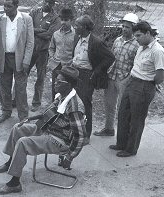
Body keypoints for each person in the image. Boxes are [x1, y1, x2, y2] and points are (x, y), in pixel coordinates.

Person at [0, 66, 86, 195]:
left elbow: (80, 136)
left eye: (59, 82)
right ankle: (10, 162)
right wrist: (29, 119)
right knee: (18, 128)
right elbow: (49, 114)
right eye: (55, 80)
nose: (55, 84)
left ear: (68, 84)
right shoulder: (62, 95)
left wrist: (69, 157)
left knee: (24, 142)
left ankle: (14, 183)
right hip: (49, 130)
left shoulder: (74, 107)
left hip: (59, 140)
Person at [109, 21, 164, 157]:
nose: (137, 39)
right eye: (135, 36)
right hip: (132, 82)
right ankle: (121, 144)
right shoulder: (142, 46)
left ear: (148, 33)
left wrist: (150, 84)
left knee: (136, 119)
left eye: (139, 35)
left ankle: (130, 149)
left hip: (144, 86)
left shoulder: (157, 51)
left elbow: (160, 76)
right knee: (123, 114)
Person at [94, 13, 140, 137]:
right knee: (109, 104)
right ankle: (109, 129)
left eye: (128, 27)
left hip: (124, 79)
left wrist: (128, 79)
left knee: (123, 108)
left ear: (134, 28)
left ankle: (123, 134)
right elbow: (111, 58)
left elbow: (138, 65)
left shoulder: (137, 44)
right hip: (111, 76)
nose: (124, 29)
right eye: (123, 26)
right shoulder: (118, 40)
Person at [72, 15, 115, 143]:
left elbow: (110, 57)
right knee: (74, 103)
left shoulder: (96, 42)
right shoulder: (77, 38)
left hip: (87, 76)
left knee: (85, 104)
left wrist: (96, 71)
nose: (75, 27)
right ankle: (75, 131)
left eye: (77, 25)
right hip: (75, 73)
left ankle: (86, 135)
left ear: (85, 27)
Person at [0, 0, 34, 123]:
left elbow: (30, 42)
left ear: (16, 6)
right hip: (4, 58)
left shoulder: (26, 19)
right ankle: (6, 111)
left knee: (20, 88)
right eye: (4, 6)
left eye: (9, 6)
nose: (6, 8)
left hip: (20, 59)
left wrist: (26, 60)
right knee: (4, 86)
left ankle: (23, 116)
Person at [27, 0, 61, 112]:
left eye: (50, 2)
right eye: (46, 1)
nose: (47, 4)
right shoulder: (34, 12)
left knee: (40, 77)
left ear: (53, 4)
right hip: (30, 49)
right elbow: (27, 28)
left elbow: (49, 35)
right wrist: (39, 30)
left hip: (43, 51)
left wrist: (34, 31)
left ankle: (36, 103)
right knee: (22, 74)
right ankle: (16, 100)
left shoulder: (55, 18)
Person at [49, 8, 76, 100]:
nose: (63, 22)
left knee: (67, 89)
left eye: (66, 20)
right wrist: (52, 58)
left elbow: (78, 51)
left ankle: (65, 110)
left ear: (71, 20)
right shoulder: (56, 34)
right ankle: (54, 108)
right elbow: (51, 48)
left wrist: (73, 62)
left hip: (69, 67)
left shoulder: (76, 35)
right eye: (62, 20)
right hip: (56, 65)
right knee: (55, 88)